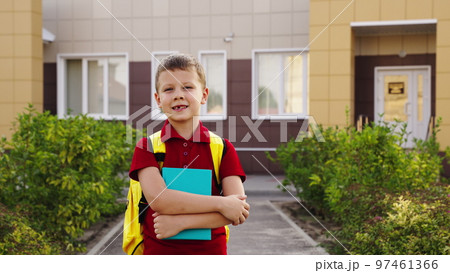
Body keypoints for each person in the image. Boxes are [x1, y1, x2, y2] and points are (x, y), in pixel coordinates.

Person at [129, 54, 250, 255]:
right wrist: (221, 203)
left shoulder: (222, 148)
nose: (178, 94)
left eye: (187, 87)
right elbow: (160, 200)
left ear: (204, 95)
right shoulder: (147, 147)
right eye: (169, 89)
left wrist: (182, 222)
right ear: (158, 99)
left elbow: (237, 210)